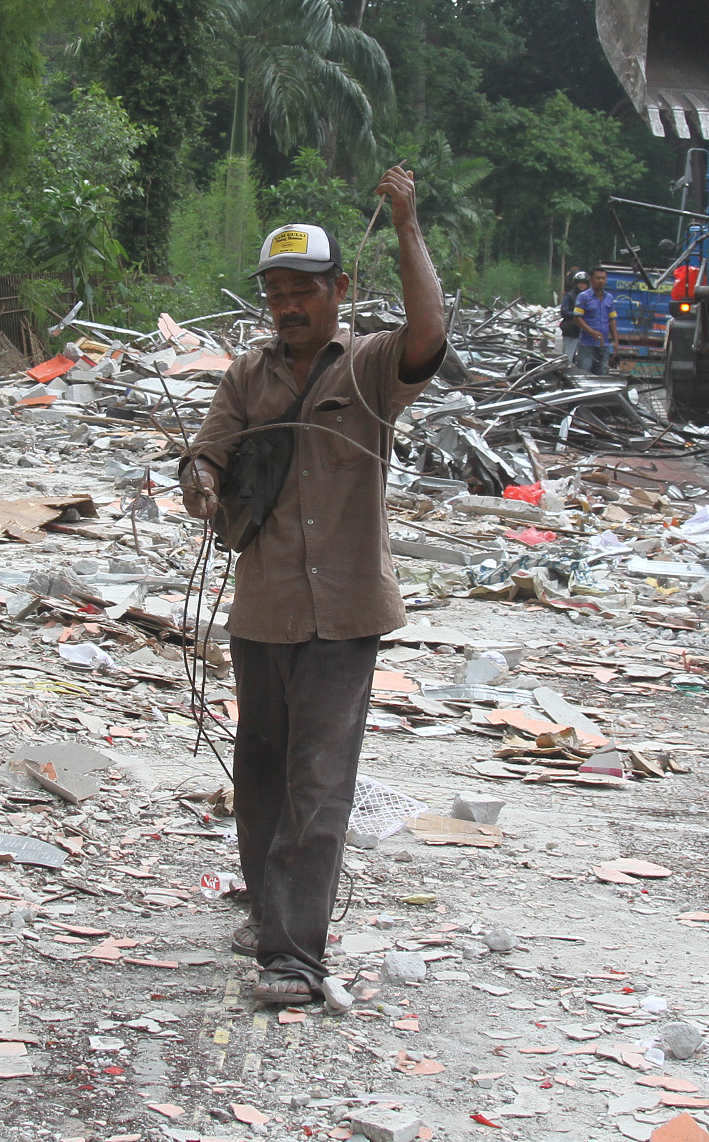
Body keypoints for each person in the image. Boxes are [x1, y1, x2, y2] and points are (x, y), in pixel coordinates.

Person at [178, 168, 447, 1006]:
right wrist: (200, 481)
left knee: (320, 780)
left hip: (345, 613)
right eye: (277, 295)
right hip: (264, 609)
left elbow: (430, 335)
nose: (289, 307)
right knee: (260, 775)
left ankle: (296, 957)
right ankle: (268, 908)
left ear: (340, 290)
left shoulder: (370, 367)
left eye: (304, 292)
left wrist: (406, 225)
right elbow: (208, 449)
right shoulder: (247, 376)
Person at [573, 268, 615, 374]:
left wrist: (616, 341)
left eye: (603, 278)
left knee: (602, 374)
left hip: (604, 344)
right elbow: (577, 318)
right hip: (587, 344)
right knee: (584, 373)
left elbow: (612, 320)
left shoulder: (609, 298)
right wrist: (591, 332)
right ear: (591, 280)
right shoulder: (583, 297)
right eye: (598, 278)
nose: (601, 281)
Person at [559, 270, 588, 361]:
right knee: (568, 357)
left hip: (586, 332)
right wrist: (577, 315)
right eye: (580, 283)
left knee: (584, 359)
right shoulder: (570, 296)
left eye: (584, 283)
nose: (582, 285)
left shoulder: (591, 297)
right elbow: (564, 311)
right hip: (571, 330)